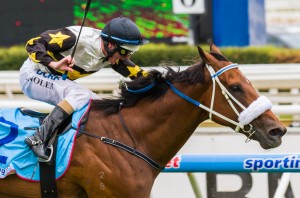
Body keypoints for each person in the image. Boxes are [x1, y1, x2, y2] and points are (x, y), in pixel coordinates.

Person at [19, 16, 149, 161]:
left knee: (99, 104)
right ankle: (39, 138)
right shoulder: (74, 38)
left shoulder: (112, 54)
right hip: (32, 75)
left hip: (53, 80)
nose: (127, 57)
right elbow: (33, 43)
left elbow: (141, 76)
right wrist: (53, 64)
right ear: (111, 45)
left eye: (132, 52)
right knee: (80, 94)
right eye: (126, 51)